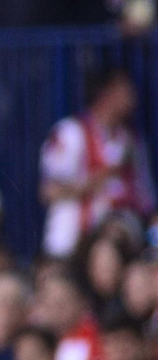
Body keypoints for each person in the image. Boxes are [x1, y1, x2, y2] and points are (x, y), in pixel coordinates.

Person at [40, 66, 154, 258]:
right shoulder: (70, 133)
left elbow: (146, 198)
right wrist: (101, 179)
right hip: (70, 247)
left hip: (120, 248)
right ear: (106, 93)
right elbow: (49, 191)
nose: (133, 96)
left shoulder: (132, 140)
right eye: (125, 89)